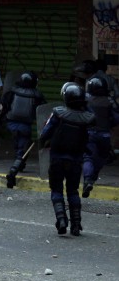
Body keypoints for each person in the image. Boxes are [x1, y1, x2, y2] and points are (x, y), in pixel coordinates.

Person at [39, 84, 95, 236]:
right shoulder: (86, 118)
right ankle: (76, 224)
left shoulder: (59, 114)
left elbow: (45, 133)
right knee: (73, 191)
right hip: (76, 160)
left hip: (57, 158)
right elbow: (90, 137)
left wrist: (43, 142)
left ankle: (61, 219)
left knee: (56, 189)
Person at [2, 71, 47, 188]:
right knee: (22, 149)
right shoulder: (37, 94)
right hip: (25, 126)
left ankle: (20, 165)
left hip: (11, 123)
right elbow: (42, 110)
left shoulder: (12, 91)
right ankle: (13, 171)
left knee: (18, 145)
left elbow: (4, 105)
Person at [82, 77, 119, 198]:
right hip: (105, 135)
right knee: (102, 158)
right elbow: (116, 118)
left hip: (89, 134)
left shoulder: (86, 99)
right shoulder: (109, 101)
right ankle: (92, 178)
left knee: (88, 158)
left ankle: (88, 179)